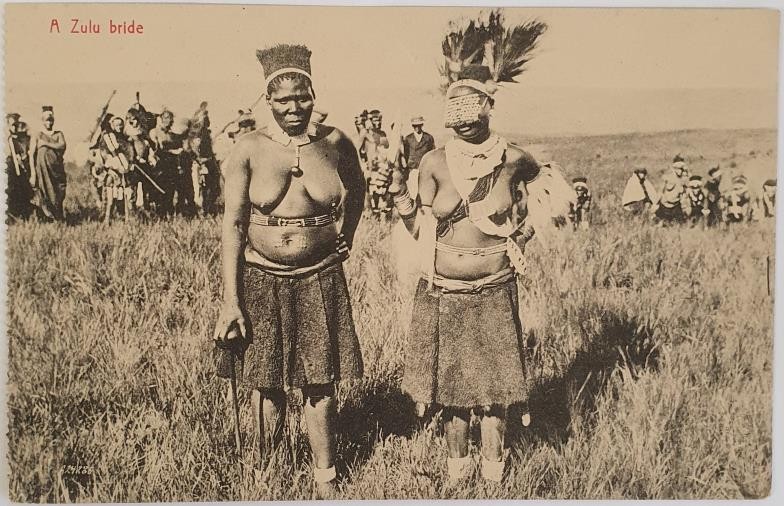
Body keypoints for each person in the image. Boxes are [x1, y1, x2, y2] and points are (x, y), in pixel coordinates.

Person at [389, 64, 570, 485]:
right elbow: (420, 229)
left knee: (496, 388)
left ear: (489, 109)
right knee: (452, 391)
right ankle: (457, 471)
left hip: (494, 287)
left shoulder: (513, 159)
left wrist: (522, 235)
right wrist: (398, 192)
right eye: (459, 115)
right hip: (446, 289)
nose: (467, 124)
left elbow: (551, 189)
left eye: (474, 113)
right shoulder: (434, 162)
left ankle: (494, 474)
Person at [212, 44, 365, 496]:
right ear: (268, 101)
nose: (294, 107)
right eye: (283, 100)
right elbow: (233, 225)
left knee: (320, 383)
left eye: (302, 97)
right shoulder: (248, 148)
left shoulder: (335, 143)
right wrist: (230, 301)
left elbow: (357, 189)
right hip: (261, 278)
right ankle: (265, 476)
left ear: (313, 94)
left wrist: (347, 233)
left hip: (320, 276)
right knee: (265, 383)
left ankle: (325, 479)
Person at [31, 106, 67, 222]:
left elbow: (62, 145)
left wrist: (45, 144)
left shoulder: (58, 134)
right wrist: (32, 173)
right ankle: (47, 219)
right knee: (44, 193)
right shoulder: (38, 135)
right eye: (46, 120)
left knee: (59, 193)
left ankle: (58, 218)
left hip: (57, 170)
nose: (49, 122)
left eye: (50, 120)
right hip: (43, 172)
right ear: (42, 121)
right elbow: (31, 154)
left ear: (53, 121)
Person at [99, 116, 138, 220]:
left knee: (128, 197)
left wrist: (129, 164)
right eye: (117, 125)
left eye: (121, 125)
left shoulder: (125, 140)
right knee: (111, 198)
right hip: (113, 172)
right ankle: (107, 220)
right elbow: (105, 155)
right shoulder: (106, 139)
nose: (119, 127)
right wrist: (115, 165)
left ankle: (129, 219)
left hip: (126, 171)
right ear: (112, 125)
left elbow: (130, 153)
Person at [149, 109, 185, 215]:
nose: (169, 121)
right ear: (161, 119)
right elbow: (156, 149)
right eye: (166, 118)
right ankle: (160, 213)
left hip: (172, 164)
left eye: (170, 118)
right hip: (160, 164)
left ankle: (169, 212)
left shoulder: (171, 134)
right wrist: (172, 151)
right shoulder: (154, 132)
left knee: (170, 189)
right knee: (160, 190)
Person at [6, 113, 34, 221]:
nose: (15, 127)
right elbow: (14, 155)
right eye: (13, 125)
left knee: (23, 192)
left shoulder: (22, 139)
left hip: (21, 170)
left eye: (17, 125)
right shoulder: (9, 140)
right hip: (13, 170)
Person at [402, 115, 436, 199]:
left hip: (425, 169)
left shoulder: (428, 138)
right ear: (412, 126)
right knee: (413, 192)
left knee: (425, 191)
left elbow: (433, 152)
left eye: (419, 125)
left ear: (422, 125)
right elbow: (404, 154)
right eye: (414, 126)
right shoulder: (408, 139)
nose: (417, 127)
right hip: (412, 169)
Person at [653, 154, 689, 224]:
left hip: (676, 206)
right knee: (661, 224)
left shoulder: (684, 179)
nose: (680, 171)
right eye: (678, 168)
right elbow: (660, 191)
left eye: (681, 169)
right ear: (674, 168)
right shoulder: (667, 177)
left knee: (680, 225)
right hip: (664, 206)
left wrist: (685, 206)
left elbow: (684, 194)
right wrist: (655, 204)